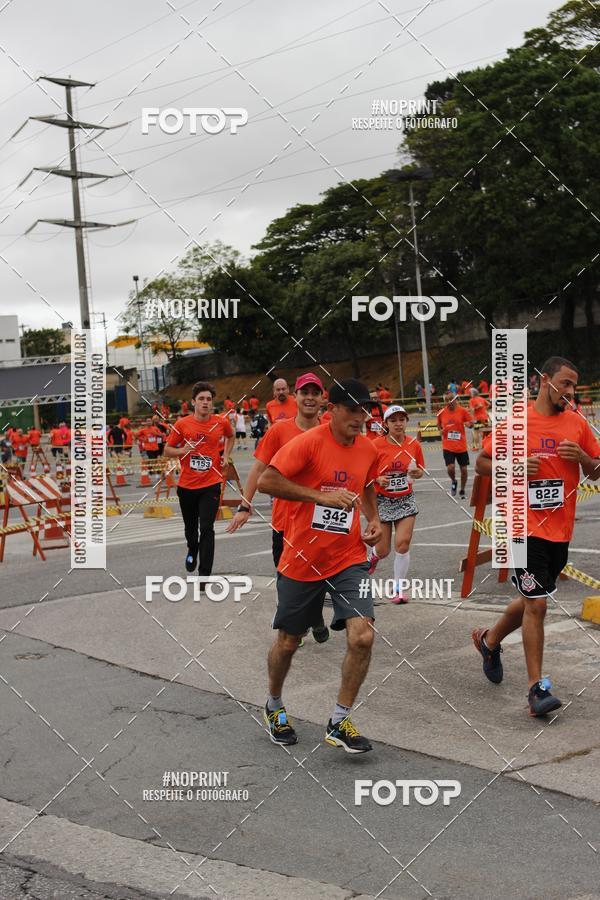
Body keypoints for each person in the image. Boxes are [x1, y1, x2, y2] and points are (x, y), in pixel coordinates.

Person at [257, 378, 382, 753]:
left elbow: (368, 484)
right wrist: (320, 497)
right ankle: (274, 704)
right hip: (302, 558)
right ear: (334, 410)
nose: (361, 418)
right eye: (355, 410)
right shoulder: (308, 442)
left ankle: (339, 719)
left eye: (366, 412)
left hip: (349, 558)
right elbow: (267, 481)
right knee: (289, 641)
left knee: (363, 636)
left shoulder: (368, 449)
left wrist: (372, 519)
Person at [472, 356, 600, 716]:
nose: (571, 391)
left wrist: (585, 461)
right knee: (537, 604)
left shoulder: (576, 424)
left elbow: (597, 471)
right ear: (544, 380)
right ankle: (536, 690)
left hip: (559, 528)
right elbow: (482, 462)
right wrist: (510, 466)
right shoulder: (516, 421)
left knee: (534, 597)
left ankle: (490, 639)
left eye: (575, 385)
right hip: (522, 526)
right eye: (566, 383)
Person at [227, 374, 329, 643]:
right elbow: (258, 469)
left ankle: (313, 615)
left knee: (317, 575)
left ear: (322, 397)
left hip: (321, 520)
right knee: (286, 576)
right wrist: (244, 506)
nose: (309, 397)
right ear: (296, 396)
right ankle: (304, 619)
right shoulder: (279, 431)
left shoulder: (331, 429)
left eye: (314, 392)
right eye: (304, 392)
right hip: (285, 521)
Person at [165, 382, 234, 579]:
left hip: (211, 484)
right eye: (201, 399)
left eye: (209, 399)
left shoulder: (221, 422)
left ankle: (204, 574)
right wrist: (182, 450)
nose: (205, 402)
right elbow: (167, 450)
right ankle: (192, 550)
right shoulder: (182, 424)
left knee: (206, 528)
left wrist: (225, 455)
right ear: (193, 402)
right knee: (190, 528)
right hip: (187, 486)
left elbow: (231, 436)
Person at [367, 406, 425, 602]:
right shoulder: (375, 445)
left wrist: (417, 473)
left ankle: (398, 589)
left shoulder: (413, 444)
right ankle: (372, 557)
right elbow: (366, 472)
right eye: (393, 421)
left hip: (405, 499)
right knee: (383, 551)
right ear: (386, 424)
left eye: (402, 419)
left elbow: (419, 469)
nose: (398, 424)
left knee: (402, 543)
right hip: (382, 500)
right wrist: (377, 479)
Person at [437, 392, 474, 499]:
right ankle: (454, 481)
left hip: (461, 445)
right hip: (448, 445)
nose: (449, 402)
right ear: (445, 401)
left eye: (451, 399)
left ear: (455, 399)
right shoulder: (441, 412)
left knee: (464, 470)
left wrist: (469, 424)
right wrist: (440, 430)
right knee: (450, 467)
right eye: (447, 400)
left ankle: (462, 489)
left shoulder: (462, 411)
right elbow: (438, 426)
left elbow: (471, 424)